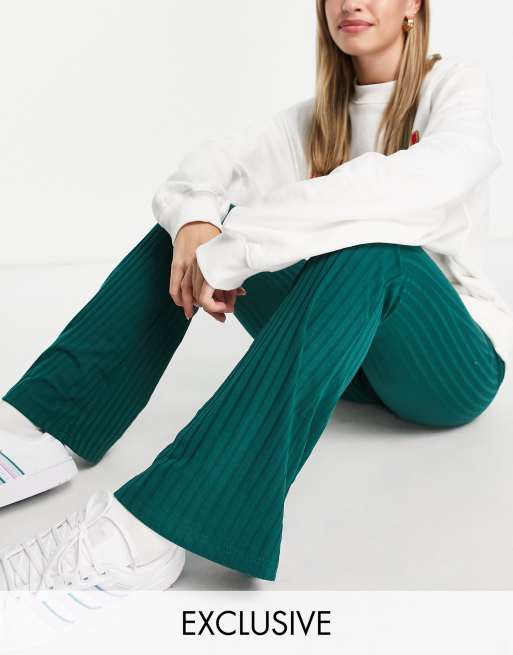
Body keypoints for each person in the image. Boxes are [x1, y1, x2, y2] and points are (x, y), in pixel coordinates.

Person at [1, 0, 511, 592]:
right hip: (347, 356)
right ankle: (33, 430)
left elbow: (414, 184)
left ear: (414, 6)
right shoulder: (313, 120)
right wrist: (200, 224)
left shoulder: (453, 88)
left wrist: (238, 243)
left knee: (375, 251)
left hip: (448, 368)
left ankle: (158, 528)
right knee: (188, 234)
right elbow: (204, 172)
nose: (350, 2)